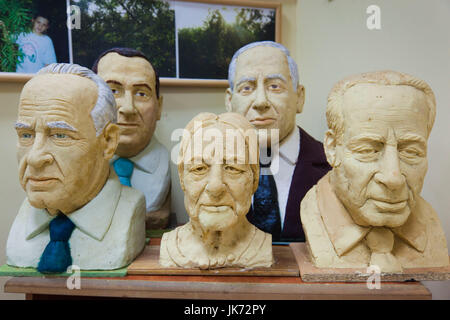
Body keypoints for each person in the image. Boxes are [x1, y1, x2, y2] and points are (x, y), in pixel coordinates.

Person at [300, 70, 449, 272]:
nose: (393, 177)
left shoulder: (430, 229)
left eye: (411, 152)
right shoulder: (313, 213)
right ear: (332, 148)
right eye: (368, 150)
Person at [6, 63, 146, 272]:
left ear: (107, 141)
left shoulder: (129, 212)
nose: (35, 158)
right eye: (26, 135)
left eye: (60, 135)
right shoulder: (23, 219)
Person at [225, 41, 330, 242]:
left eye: (274, 86)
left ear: (299, 98)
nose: (261, 102)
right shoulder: (207, 169)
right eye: (246, 88)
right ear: (229, 101)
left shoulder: (334, 166)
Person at [159, 113, 273, 269]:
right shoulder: (170, 246)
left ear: (254, 179)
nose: (215, 187)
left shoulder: (264, 247)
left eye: (233, 168)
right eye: (199, 168)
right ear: (182, 178)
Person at [93, 48, 171, 230]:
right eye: (113, 91)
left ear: (159, 108)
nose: (128, 108)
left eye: (141, 94)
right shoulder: (77, 165)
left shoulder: (168, 167)